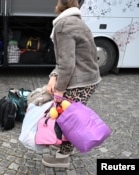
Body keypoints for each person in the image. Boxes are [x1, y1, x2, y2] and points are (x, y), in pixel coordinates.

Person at [42, 0, 102, 168]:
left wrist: (60, 89)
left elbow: (67, 63)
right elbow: (67, 59)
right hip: (89, 79)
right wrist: (54, 76)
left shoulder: (62, 25)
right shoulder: (76, 22)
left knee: (68, 119)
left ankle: (63, 158)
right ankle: (63, 147)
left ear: (61, 5)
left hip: (79, 81)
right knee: (68, 116)